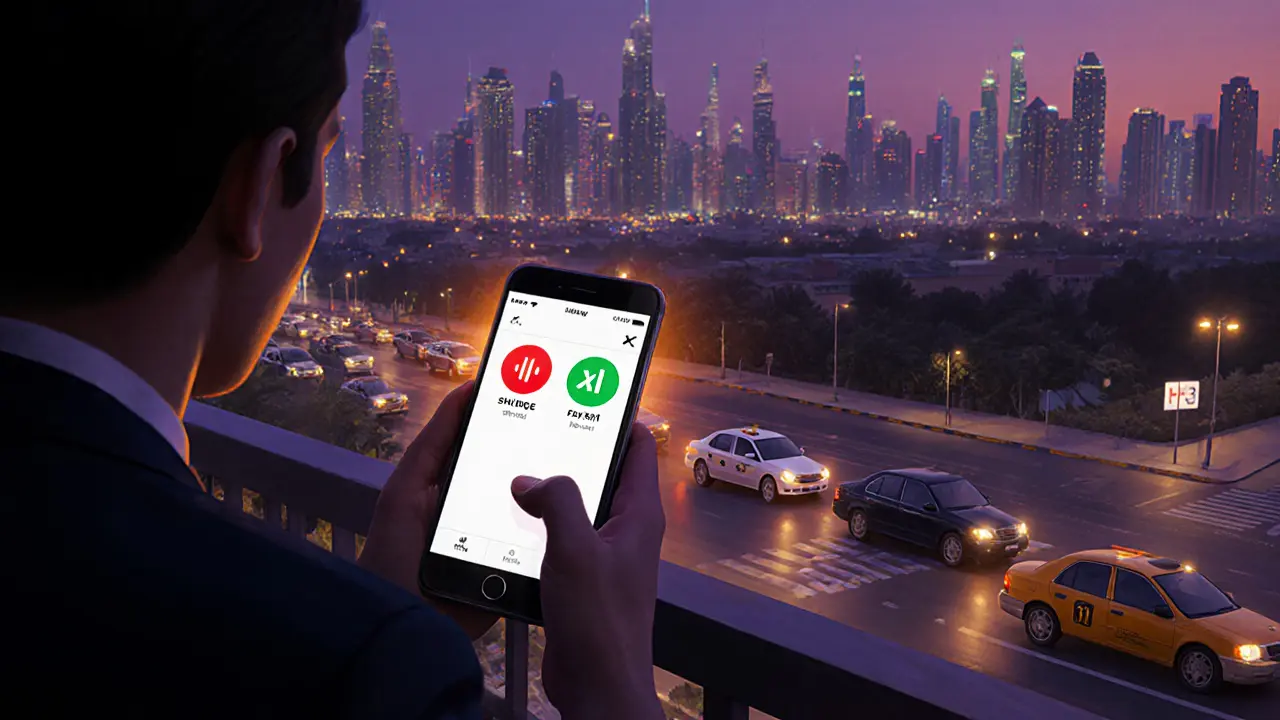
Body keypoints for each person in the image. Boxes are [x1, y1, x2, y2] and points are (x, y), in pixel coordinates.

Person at [1, 2, 665, 718]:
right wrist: (616, 687)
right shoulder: (359, 666)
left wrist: (379, 604)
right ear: (260, 185)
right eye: (325, 160)